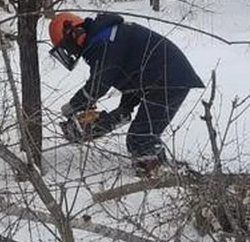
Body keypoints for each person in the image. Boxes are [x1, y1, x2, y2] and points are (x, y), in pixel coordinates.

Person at [48, 11, 204, 173]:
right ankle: (164, 170)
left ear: (74, 32)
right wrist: (123, 110)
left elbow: (101, 82)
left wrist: (74, 105)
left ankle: (160, 176)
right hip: (161, 79)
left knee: (141, 138)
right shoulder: (104, 38)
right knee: (143, 135)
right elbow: (133, 75)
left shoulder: (107, 39)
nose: (70, 53)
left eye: (67, 47)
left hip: (170, 79)